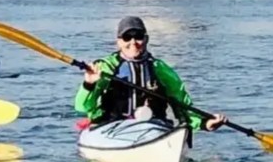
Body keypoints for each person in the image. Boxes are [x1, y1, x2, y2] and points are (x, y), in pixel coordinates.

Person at [77, 16, 226, 132]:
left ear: (146, 39)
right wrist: (89, 84)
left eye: (139, 36)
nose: (133, 42)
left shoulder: (160, 69)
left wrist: (205, 124)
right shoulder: (106, 67)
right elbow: (82, 107)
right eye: (127, 37)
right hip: (111, 126)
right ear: (119, 42)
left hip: (153, 126)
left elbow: (182, 104)